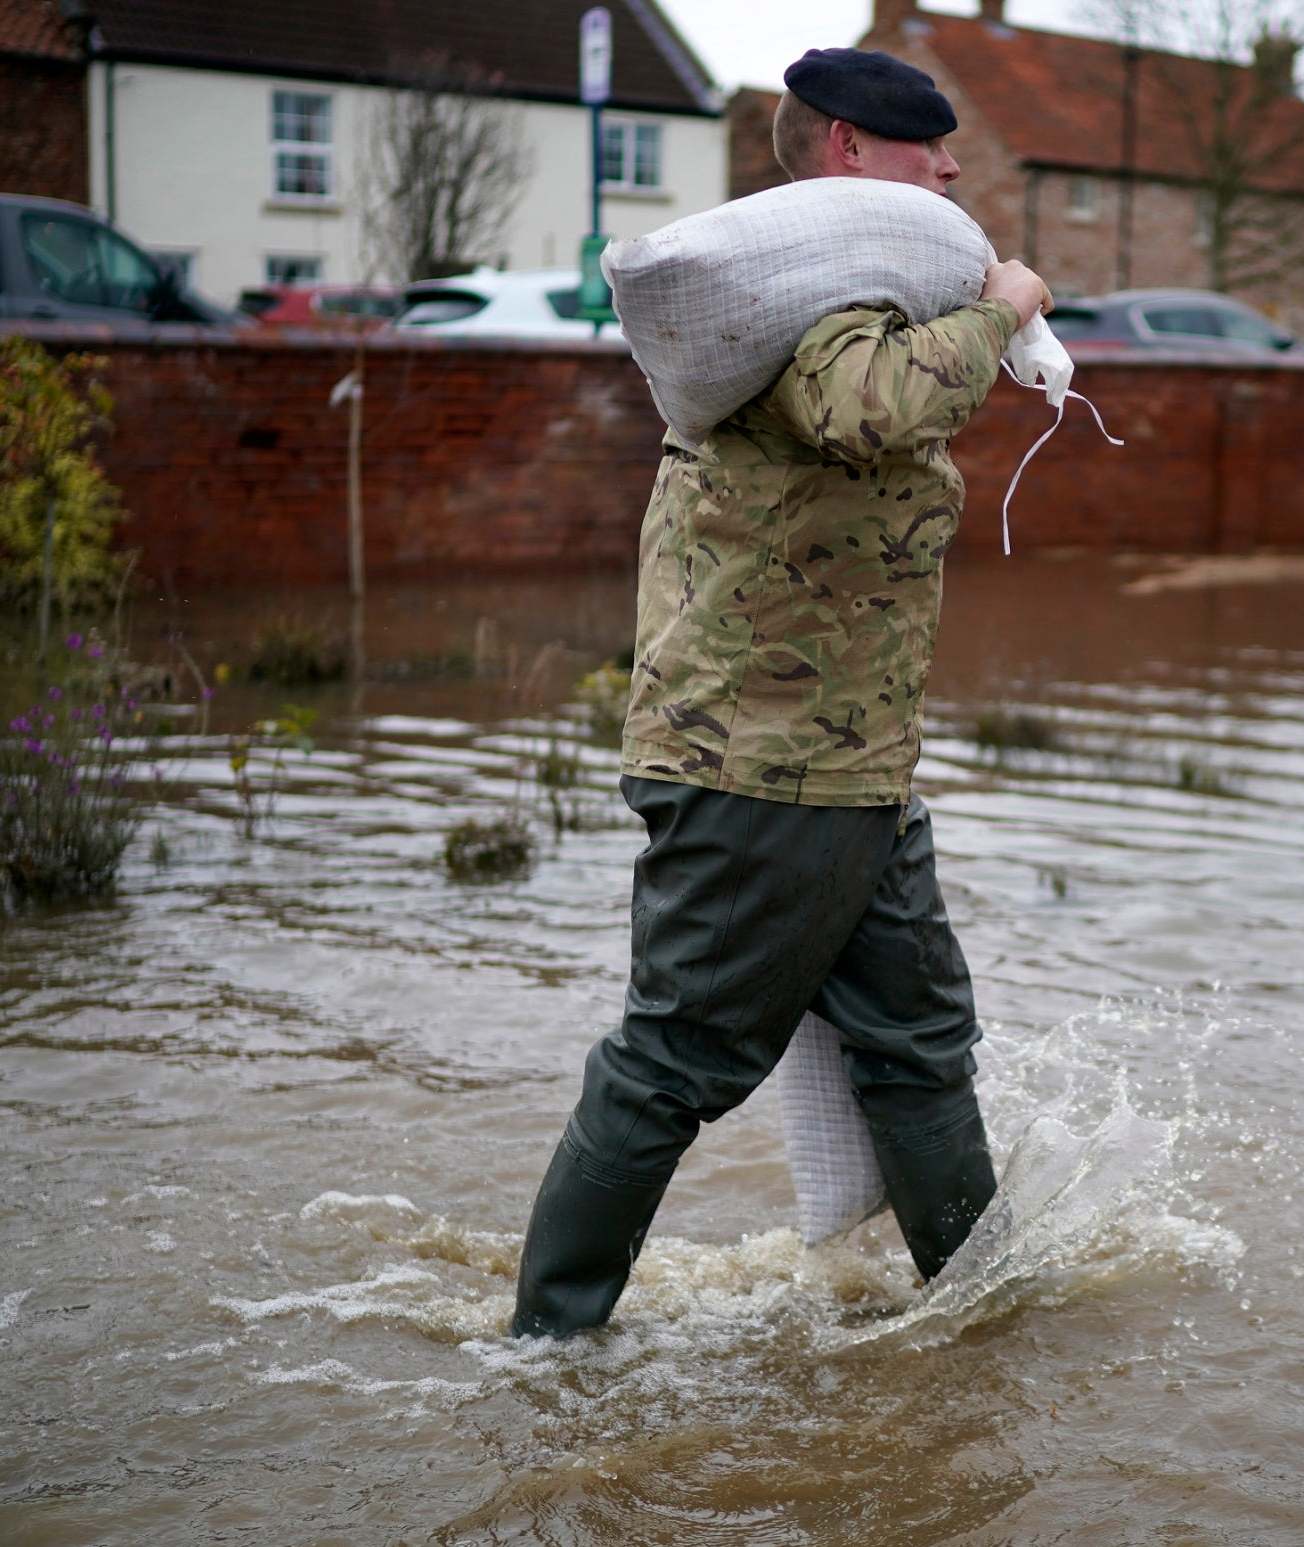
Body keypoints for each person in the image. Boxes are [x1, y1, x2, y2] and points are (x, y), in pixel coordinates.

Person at [509, 47, 1053, 1337]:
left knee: (919, 1048)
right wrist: (1002, 306)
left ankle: (982, 1326)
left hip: (850, 770)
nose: (955, 167)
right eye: (932, 145)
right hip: (759, 770)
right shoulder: (817, 303)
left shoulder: (835, 290)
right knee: (672, 1066)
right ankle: (542, 1358)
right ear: (852, 151)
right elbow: (868, 410)